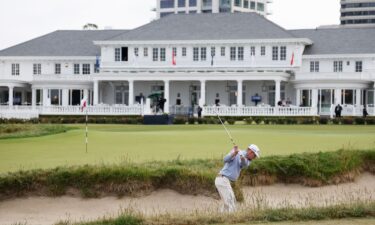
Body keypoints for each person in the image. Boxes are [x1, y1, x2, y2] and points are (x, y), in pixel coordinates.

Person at [215, 144, 260, 212]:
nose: (254, 158)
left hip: (224, 181)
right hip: (222, 179)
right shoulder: (236, 151)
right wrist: (234, 153)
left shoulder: (248, 160)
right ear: (250, 151)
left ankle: (221, 218)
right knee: (231, 202)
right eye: (254, 155)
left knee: (227, 203)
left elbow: (244, 164)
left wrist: (242, 158)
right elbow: (225, 159)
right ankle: (231, 220)